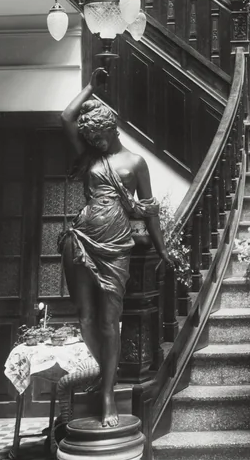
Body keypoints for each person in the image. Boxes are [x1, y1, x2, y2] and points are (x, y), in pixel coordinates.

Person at [60, 70, 174, 427]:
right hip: (81, 238)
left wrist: (163, 250)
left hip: (116, 245)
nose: (95, 141)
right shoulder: (90, 155)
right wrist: (92, 85)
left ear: (113, 130)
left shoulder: (136, 163)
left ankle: (108, 392)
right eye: (90, 136)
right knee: (86, 318)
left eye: (100, 135)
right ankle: (103, 372)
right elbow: (66, 117)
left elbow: (150, 211)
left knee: (110, 322)